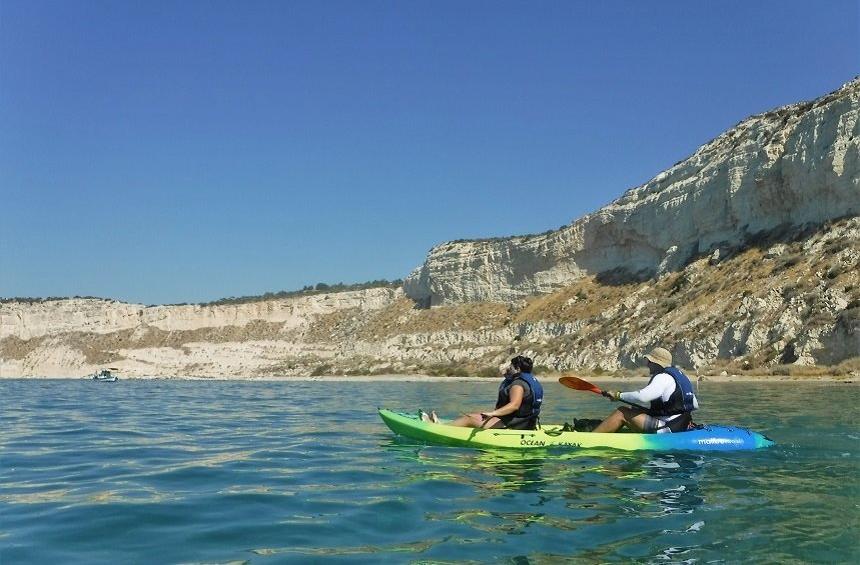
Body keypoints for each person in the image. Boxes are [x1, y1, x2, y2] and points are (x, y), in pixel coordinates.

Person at [420, 355, 544, 430]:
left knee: (469, 419)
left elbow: (514, 405)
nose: (508, 369)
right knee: (475, 415)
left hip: (515, 425)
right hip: (526, 423)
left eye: (510, 367)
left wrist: (493, 413)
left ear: (517, 369)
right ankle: (444, 424)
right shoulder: (527, 380)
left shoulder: (517, 384)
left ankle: (438, 429)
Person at [593, 346, 698, 434]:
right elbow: (694, 404)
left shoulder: (662, 377)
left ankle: (591, 439)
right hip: (682, 423)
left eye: (649, 361)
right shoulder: (679, 376)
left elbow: (642, 396)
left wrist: (618, 395)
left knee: (622, 412)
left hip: (668, 427)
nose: (647, 364)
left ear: (656, 363)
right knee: (634, 409)